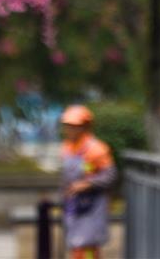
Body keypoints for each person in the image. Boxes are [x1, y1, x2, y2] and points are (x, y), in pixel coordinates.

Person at [60, 105, 117, 259]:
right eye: (67, 126)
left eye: (74, 126)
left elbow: (111, 176)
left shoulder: (97, 149)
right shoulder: (66, 147)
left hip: (92, 206)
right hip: (74, 205)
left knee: (88, 247)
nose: (69, 130)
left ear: (85, 126)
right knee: (76, 247)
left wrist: (87, 184)